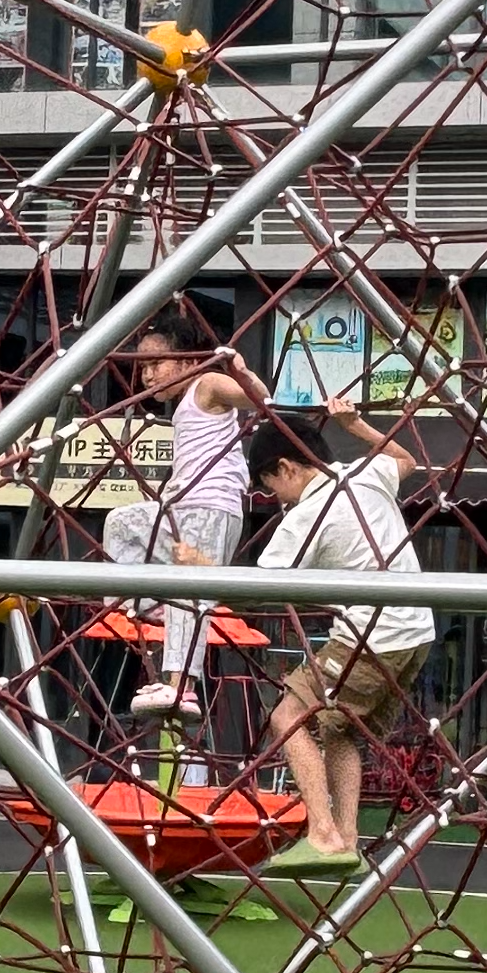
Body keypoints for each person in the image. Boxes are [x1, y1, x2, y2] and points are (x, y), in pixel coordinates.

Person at [249, 406, 438, 874]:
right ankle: (347, 841)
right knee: (341, 730)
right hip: (416, 632)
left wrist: (198, 571)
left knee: (288, 715)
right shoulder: (363, 473)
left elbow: (259, 587)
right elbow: (405, 461)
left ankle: (324, 833)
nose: (274, 497)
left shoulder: (306, 515)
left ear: (287, 468)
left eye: (269, 485)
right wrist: (355, 426)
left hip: (372, 637)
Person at [121, 305, 270, 724]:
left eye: (154, 364)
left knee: (191, 590)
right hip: (184, 508)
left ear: (186, 360)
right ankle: (153, 605)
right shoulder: (185, 402)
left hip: (211, 506)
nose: (146, 376)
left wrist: (240, 371)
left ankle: (181, 686)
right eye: (141, 367)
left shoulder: (206, 383)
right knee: (122, 525)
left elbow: (257, 396)